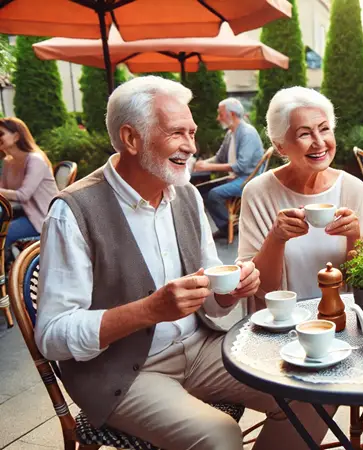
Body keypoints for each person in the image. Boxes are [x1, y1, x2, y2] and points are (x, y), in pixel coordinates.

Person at [35, 76, 333, 450]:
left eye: (191, 133)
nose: (191, 147)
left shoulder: (187, 196)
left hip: (201, 349)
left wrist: (230, 290)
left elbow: (210, 294)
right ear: (131, 139)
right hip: (123, 373)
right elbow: (52, 337)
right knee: (220, 436)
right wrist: (149, 310)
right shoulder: (72, 212)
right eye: (177, 133)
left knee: (314, 391)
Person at [237, 86, 363, 304]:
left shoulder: (353, 189)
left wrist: (354, 237)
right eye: (304, 133)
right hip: (281, 326)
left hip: (341, 322)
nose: (319, 142)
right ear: (280, 146)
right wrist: (276, 238)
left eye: (324, 129)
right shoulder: (258, 193)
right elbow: (260, 289)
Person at [193, 97, 263, 240]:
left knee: (214, 194)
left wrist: (208, 166)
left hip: (248, 179)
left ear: (231, 114)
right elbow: (219, 157)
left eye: (220, 114)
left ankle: (229, 226)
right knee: (199, 190)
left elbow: (241, 166)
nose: (218, 118)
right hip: (236, 177)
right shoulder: (231, 133)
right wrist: (201, 163)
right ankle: (224, 225)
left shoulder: (247, 133)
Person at [0, 118, 58, 250]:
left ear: (16, 136)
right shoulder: (8, 161)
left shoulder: (35, 160)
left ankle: (6, 269)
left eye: (0, 134)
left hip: (40, 218)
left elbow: (23, 195)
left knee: (3, 234)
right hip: (19, 214)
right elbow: (3, 192)